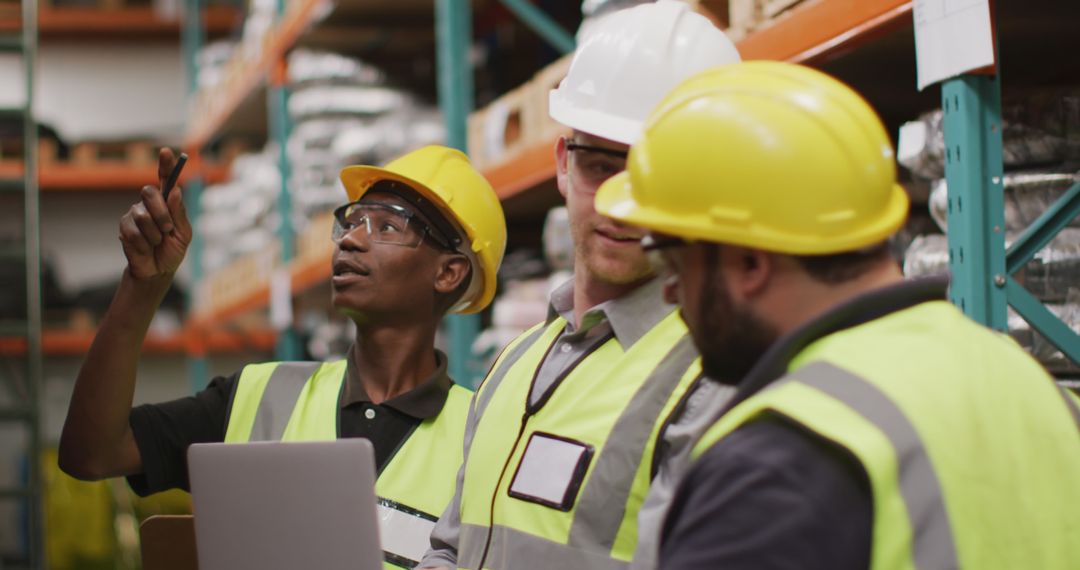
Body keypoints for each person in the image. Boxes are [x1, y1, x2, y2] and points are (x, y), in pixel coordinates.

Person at [594, 60, 1080, 569]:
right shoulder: (1031, 384)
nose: (670, 291)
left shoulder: (775, 466)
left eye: (672, 261)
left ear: (749, 262)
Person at [58, 144, 508, 569]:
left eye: (386, 226)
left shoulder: (485, 439)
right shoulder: (261, 395)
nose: (349, 240)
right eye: (351, 221)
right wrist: (142, 287)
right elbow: (91, 454)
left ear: (449, 273)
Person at [418, 2, 740, 569]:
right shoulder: (513, 363)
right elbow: (452, 548)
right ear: (564, 164)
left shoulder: (714, 381)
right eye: (600, 167)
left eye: (654, 177)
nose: (622, 204)